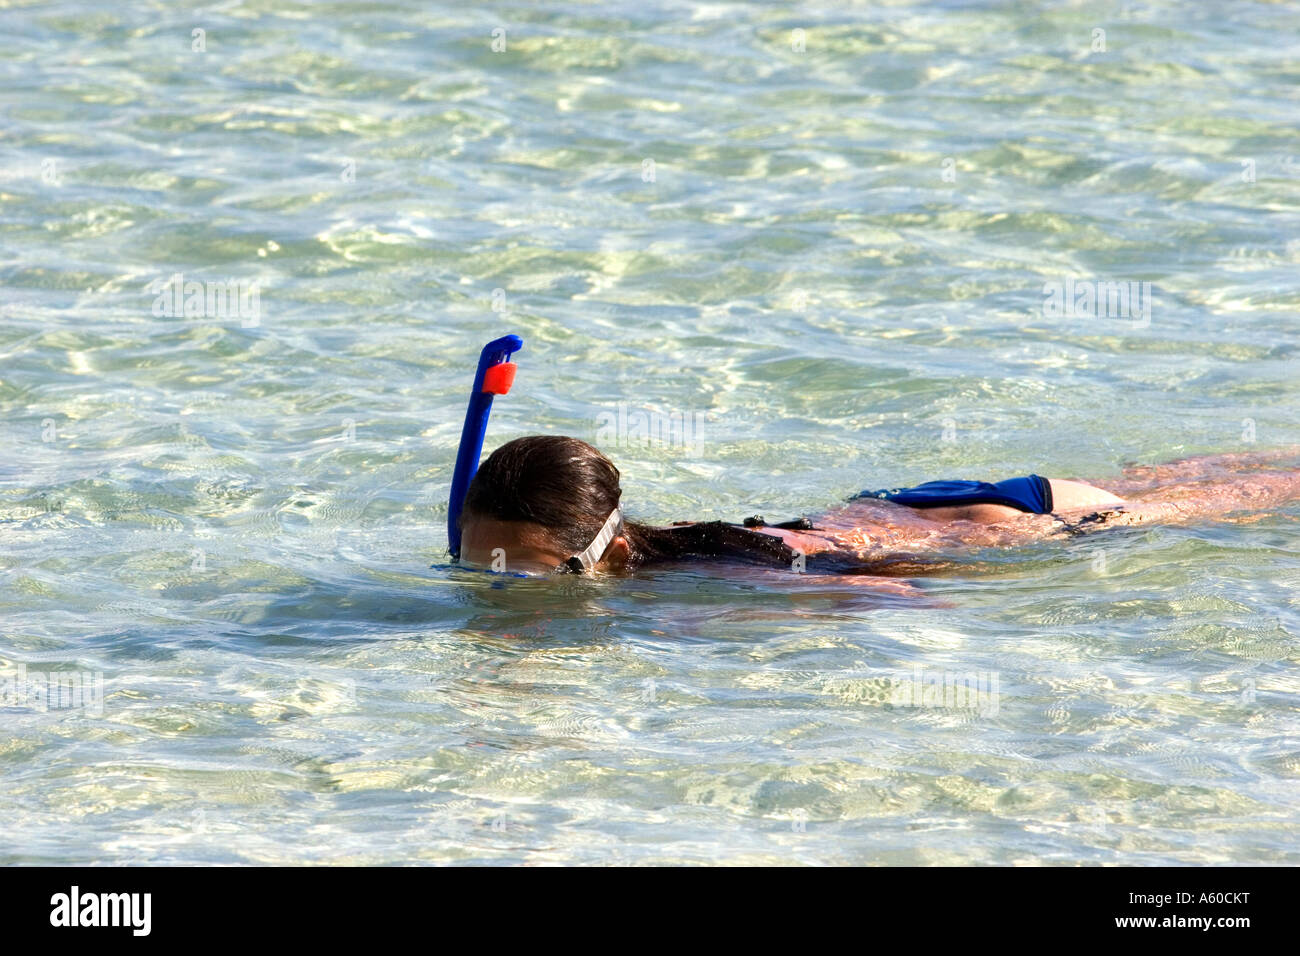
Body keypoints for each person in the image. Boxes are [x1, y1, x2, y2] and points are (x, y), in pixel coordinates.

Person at [455, 436, 1300, 577]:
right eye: (481, 570)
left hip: (1007, 524)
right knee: (1180, 475)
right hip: (902, 504)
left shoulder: (712, 571)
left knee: (1229, 500)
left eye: (531, 578)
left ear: (603, 548)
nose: (502, 589)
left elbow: (880, 586)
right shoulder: (661, 553)